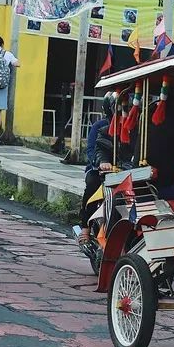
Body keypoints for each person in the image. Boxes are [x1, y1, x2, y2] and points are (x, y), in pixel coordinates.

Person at [77, 93, 117, 249]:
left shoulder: (133, 127)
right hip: (99, 170)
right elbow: (92, 150)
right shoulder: (99, 127)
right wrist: (101, 163)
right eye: (118, 107)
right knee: (93, 183)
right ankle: (85, 228)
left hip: (123, 170)